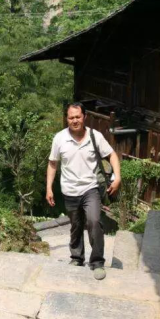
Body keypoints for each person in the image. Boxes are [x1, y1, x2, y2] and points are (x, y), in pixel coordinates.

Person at [46, 102, 121, 280]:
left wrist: (117, 177)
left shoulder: (95, 136)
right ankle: (77, 258)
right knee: (76, 225)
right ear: (67, 119)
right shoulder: (59, 138)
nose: (75, 120)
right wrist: (49, 187)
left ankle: (97, 262)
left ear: (84, 117)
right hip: (69, 190)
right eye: (71, 117)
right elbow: (53, 163)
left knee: (94, 221)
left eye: (78, 117)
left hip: (90, 188)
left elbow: (111, 155)